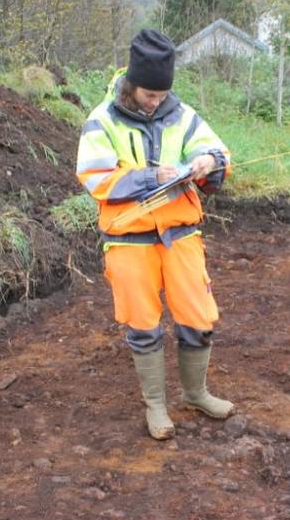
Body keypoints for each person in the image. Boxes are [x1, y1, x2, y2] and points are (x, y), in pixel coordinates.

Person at [75, 29, 233, 440]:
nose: (156, 101)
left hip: (181, 234)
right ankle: (156, 408)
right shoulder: (101, 120)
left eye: (162, 94)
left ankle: (196, 393)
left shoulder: (182, 114)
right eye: (150, 94)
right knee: (143, 324)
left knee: (198, 317)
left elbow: (219, 152)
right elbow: (95, 178)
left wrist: (207, 162)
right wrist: (149, 177)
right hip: (129, 241)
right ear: (131, 85)